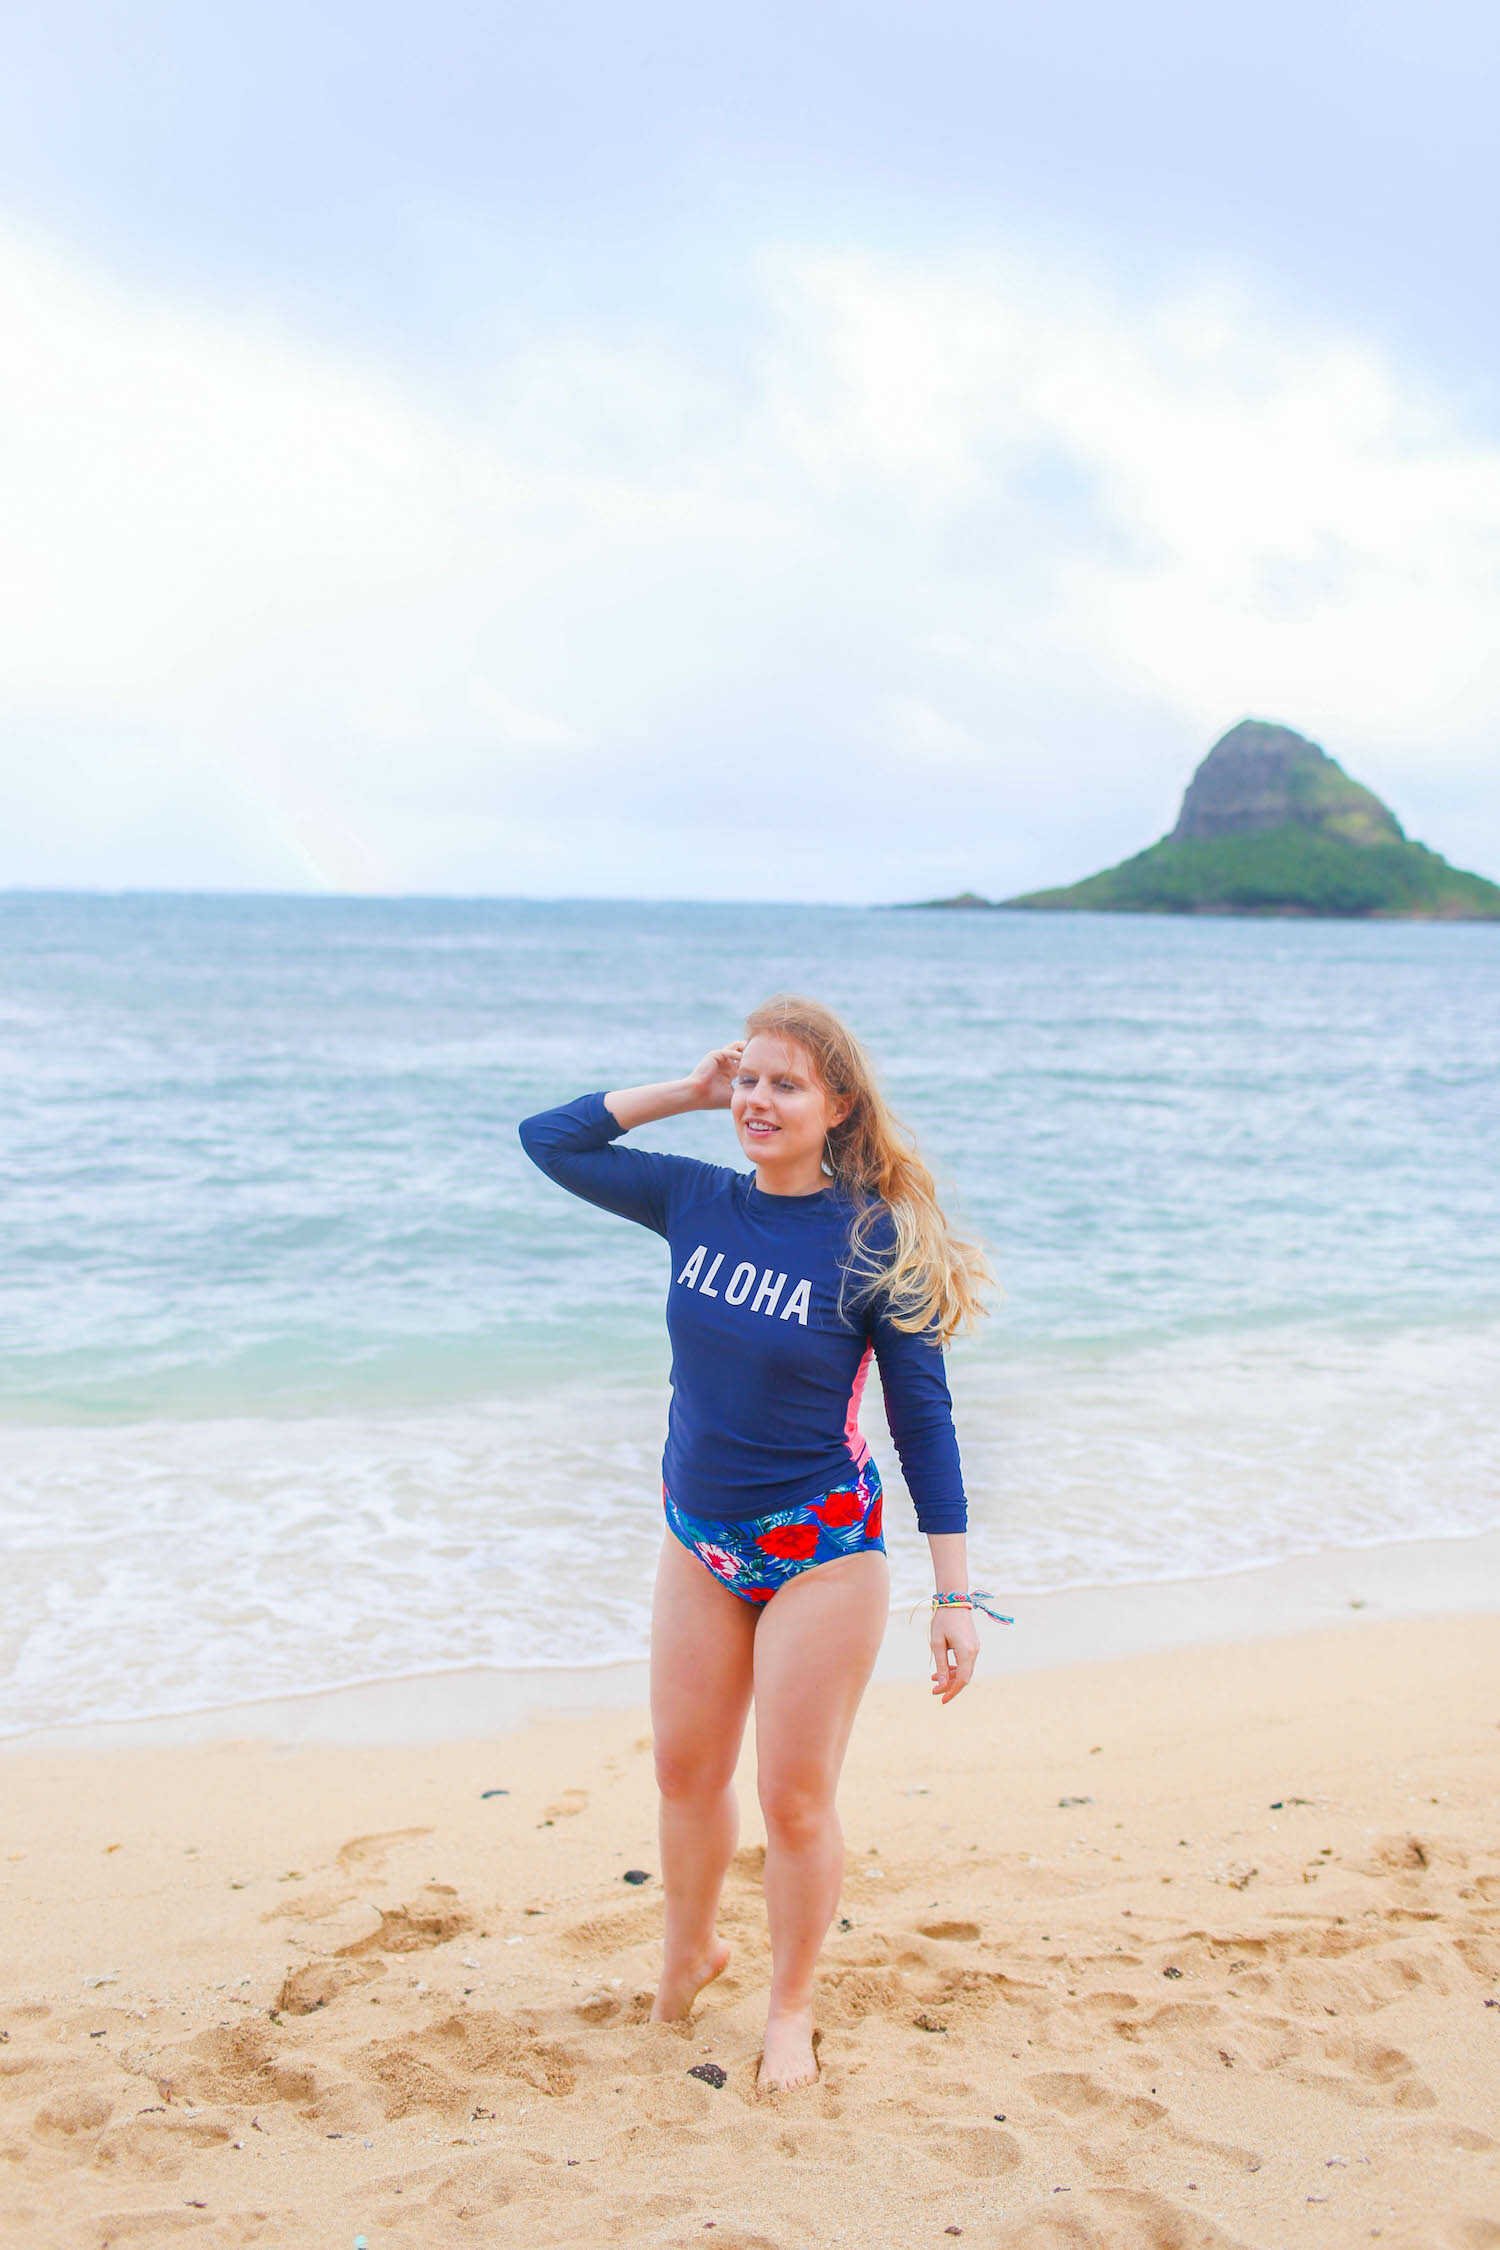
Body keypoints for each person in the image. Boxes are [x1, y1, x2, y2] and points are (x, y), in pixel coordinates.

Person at [517, 993, 1000, 2092]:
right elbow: (549, 1139)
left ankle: (790, 2007)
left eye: (787, 1084)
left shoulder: (874, 1239)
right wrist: (682, 1092)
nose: (758, 1102)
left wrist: (956, 1597)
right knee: (686, 1774)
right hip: (699, 1538)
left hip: (823, 1549)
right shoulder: (693, 1198)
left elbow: (924, 1422)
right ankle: (691, 1949)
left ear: (837, 1107)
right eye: (748, 1081)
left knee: (792, 1799)